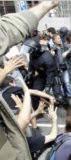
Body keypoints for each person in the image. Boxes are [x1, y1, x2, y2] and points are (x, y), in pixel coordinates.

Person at [0, 1, 59, 159]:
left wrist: (46, 89)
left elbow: (51, 74)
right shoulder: (34, 57)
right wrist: (27, 83)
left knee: (56, 90)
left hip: (48, 77)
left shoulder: (47, 58)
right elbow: (21, 122)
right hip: (36, 78)